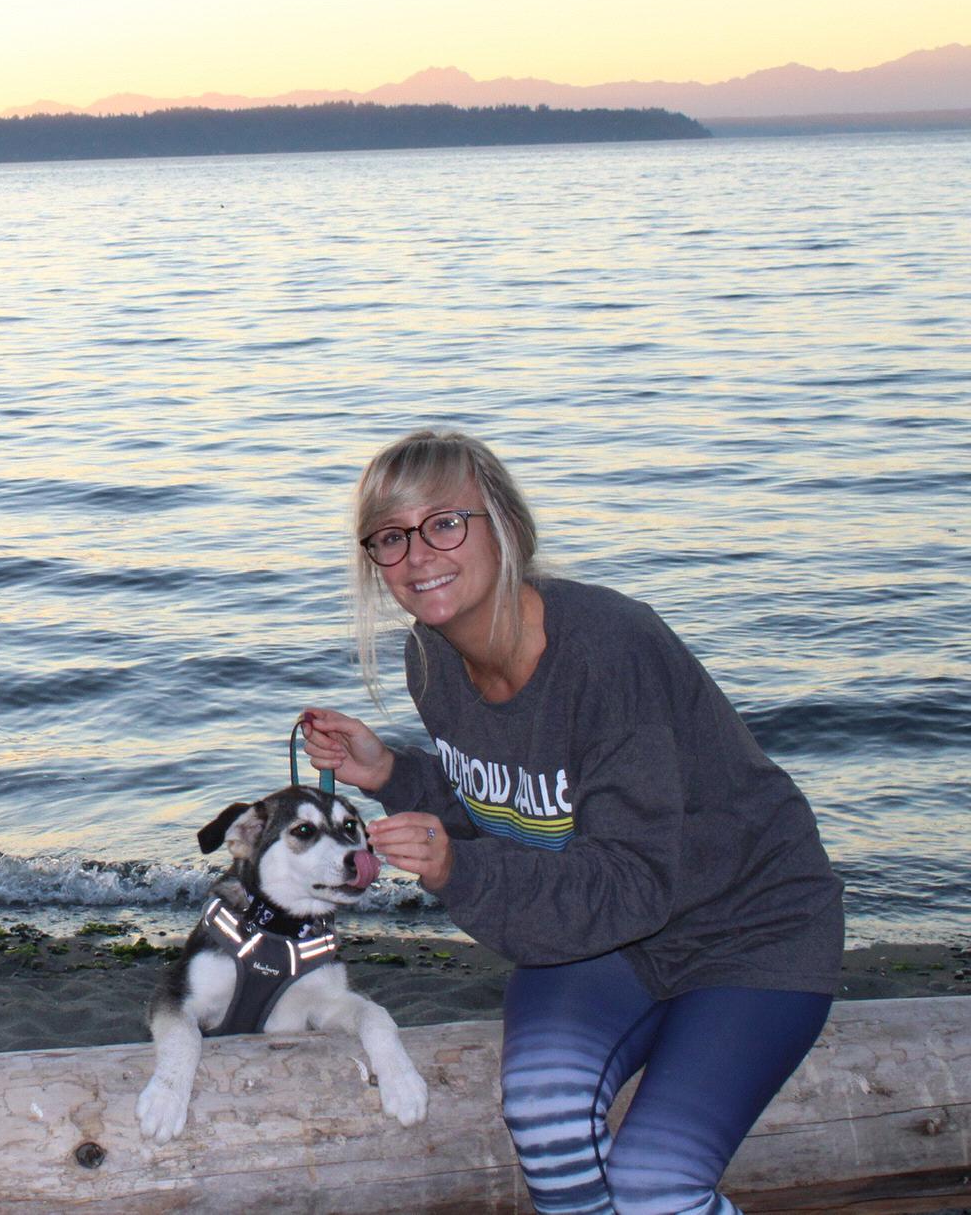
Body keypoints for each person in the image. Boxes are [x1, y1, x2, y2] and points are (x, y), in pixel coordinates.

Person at [301, 429, 842, 1215]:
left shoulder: (609, 649)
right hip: (610, 943)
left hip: (747, 930)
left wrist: (459, 869)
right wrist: (395, 773)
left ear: (507, 526)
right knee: (544, 1116)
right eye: (391, 537)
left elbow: (632, 881)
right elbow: (512, 816)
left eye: (445, 523)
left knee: (656, 1183)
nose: (418, 556)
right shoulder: (433, 659)